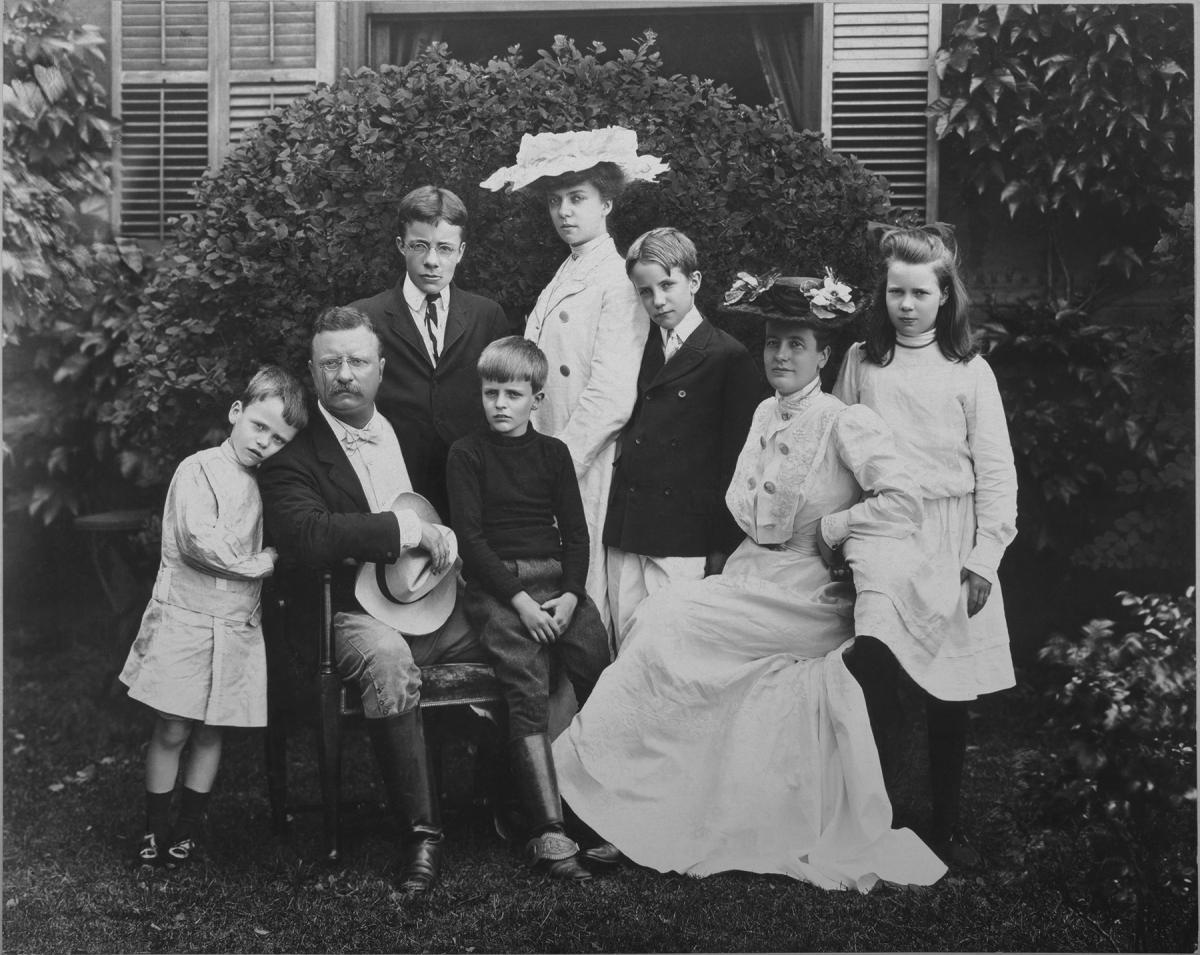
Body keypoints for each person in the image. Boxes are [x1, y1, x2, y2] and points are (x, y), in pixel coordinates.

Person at [551, 272, 950, 891]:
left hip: (810, 590)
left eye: (797, 344)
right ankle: (635, 803)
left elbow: (905, 500)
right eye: (772, 344)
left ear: (824, 355)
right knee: (656, 620)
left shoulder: (845, 422)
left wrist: (840, 525)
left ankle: (623, 803)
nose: (781, 356)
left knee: (667, 622)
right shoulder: (766, 411)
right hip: (754, 576)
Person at [259, 305, 483, 897]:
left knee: (515, 632)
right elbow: (308, 537)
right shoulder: (291, 455)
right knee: (387, 658)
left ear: (381, 369)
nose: (345, 374)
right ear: (312, 372)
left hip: (430, 602)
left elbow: (454, 504)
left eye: (358, 361)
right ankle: (421, 837)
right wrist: (404, 532)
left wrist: (452, 535)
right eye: (330, 362)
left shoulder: (412, 430)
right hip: (345, 611)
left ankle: (535, 810)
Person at [833, 224, 1018, 867]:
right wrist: (838, 533)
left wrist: (983, 560)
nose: (905, 306)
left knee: (949, 689)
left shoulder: (970, 372)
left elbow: (996, 472)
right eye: (894, 293)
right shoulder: (861, 363)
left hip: (949, 535)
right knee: (876, 674)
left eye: (919, 293)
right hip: (884, 533)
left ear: (945, 297)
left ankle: (946, 823)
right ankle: (873, 814)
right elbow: (836, 451)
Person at [481, 127, 668, 632]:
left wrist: (554, 467)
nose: (565, 211)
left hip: (582, 461)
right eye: (556, 201)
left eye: (578, 198)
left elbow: (610, 397)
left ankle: (586, 707)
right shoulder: (564, 273)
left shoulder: (617, 280)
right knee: (542, 592)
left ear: (606, 203)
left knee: (582, 596)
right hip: (544, 456)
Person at [121, 366, 307, 867]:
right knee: (173, 727)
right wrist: (263, 562)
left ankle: (186, 829)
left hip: (234, 624)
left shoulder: (268, 485)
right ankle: (154, 830)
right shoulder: (199, 468)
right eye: (259, 427)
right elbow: (201, 542)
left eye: (279, 439)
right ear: (236, 413)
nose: (265, 443)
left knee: (211, 730)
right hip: (186, 618)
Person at [445, 336, 611, 882]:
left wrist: (569, 596)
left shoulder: (554, 454)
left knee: (598, 665)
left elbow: (577, 537)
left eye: (512, 394)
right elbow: (470, 540)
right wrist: (522, 604)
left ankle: (611, 812)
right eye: (491, 392)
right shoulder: (467, 454)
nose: (499, 404)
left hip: (556, 582)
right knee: (525, 679)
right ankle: (548, 829)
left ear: (536, 400)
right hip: (499, 586)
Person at [603, 227, 762, 644]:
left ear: (694, 281)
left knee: (670, 650)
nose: (657, 301)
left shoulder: (728, 356)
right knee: (622, 647)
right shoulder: (635, 347)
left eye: (667, 285)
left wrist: (722, 546)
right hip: (628, 528)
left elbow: (737, 462)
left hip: (683, 536)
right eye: (644, 291)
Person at [350, 185, 510, 518]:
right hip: (394, 490)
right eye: (420, 246)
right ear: (401, 246)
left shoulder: (487, 315)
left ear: (461, 251)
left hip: (471, 490)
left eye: (445, 248)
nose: (432, 261)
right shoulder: (366, 318)